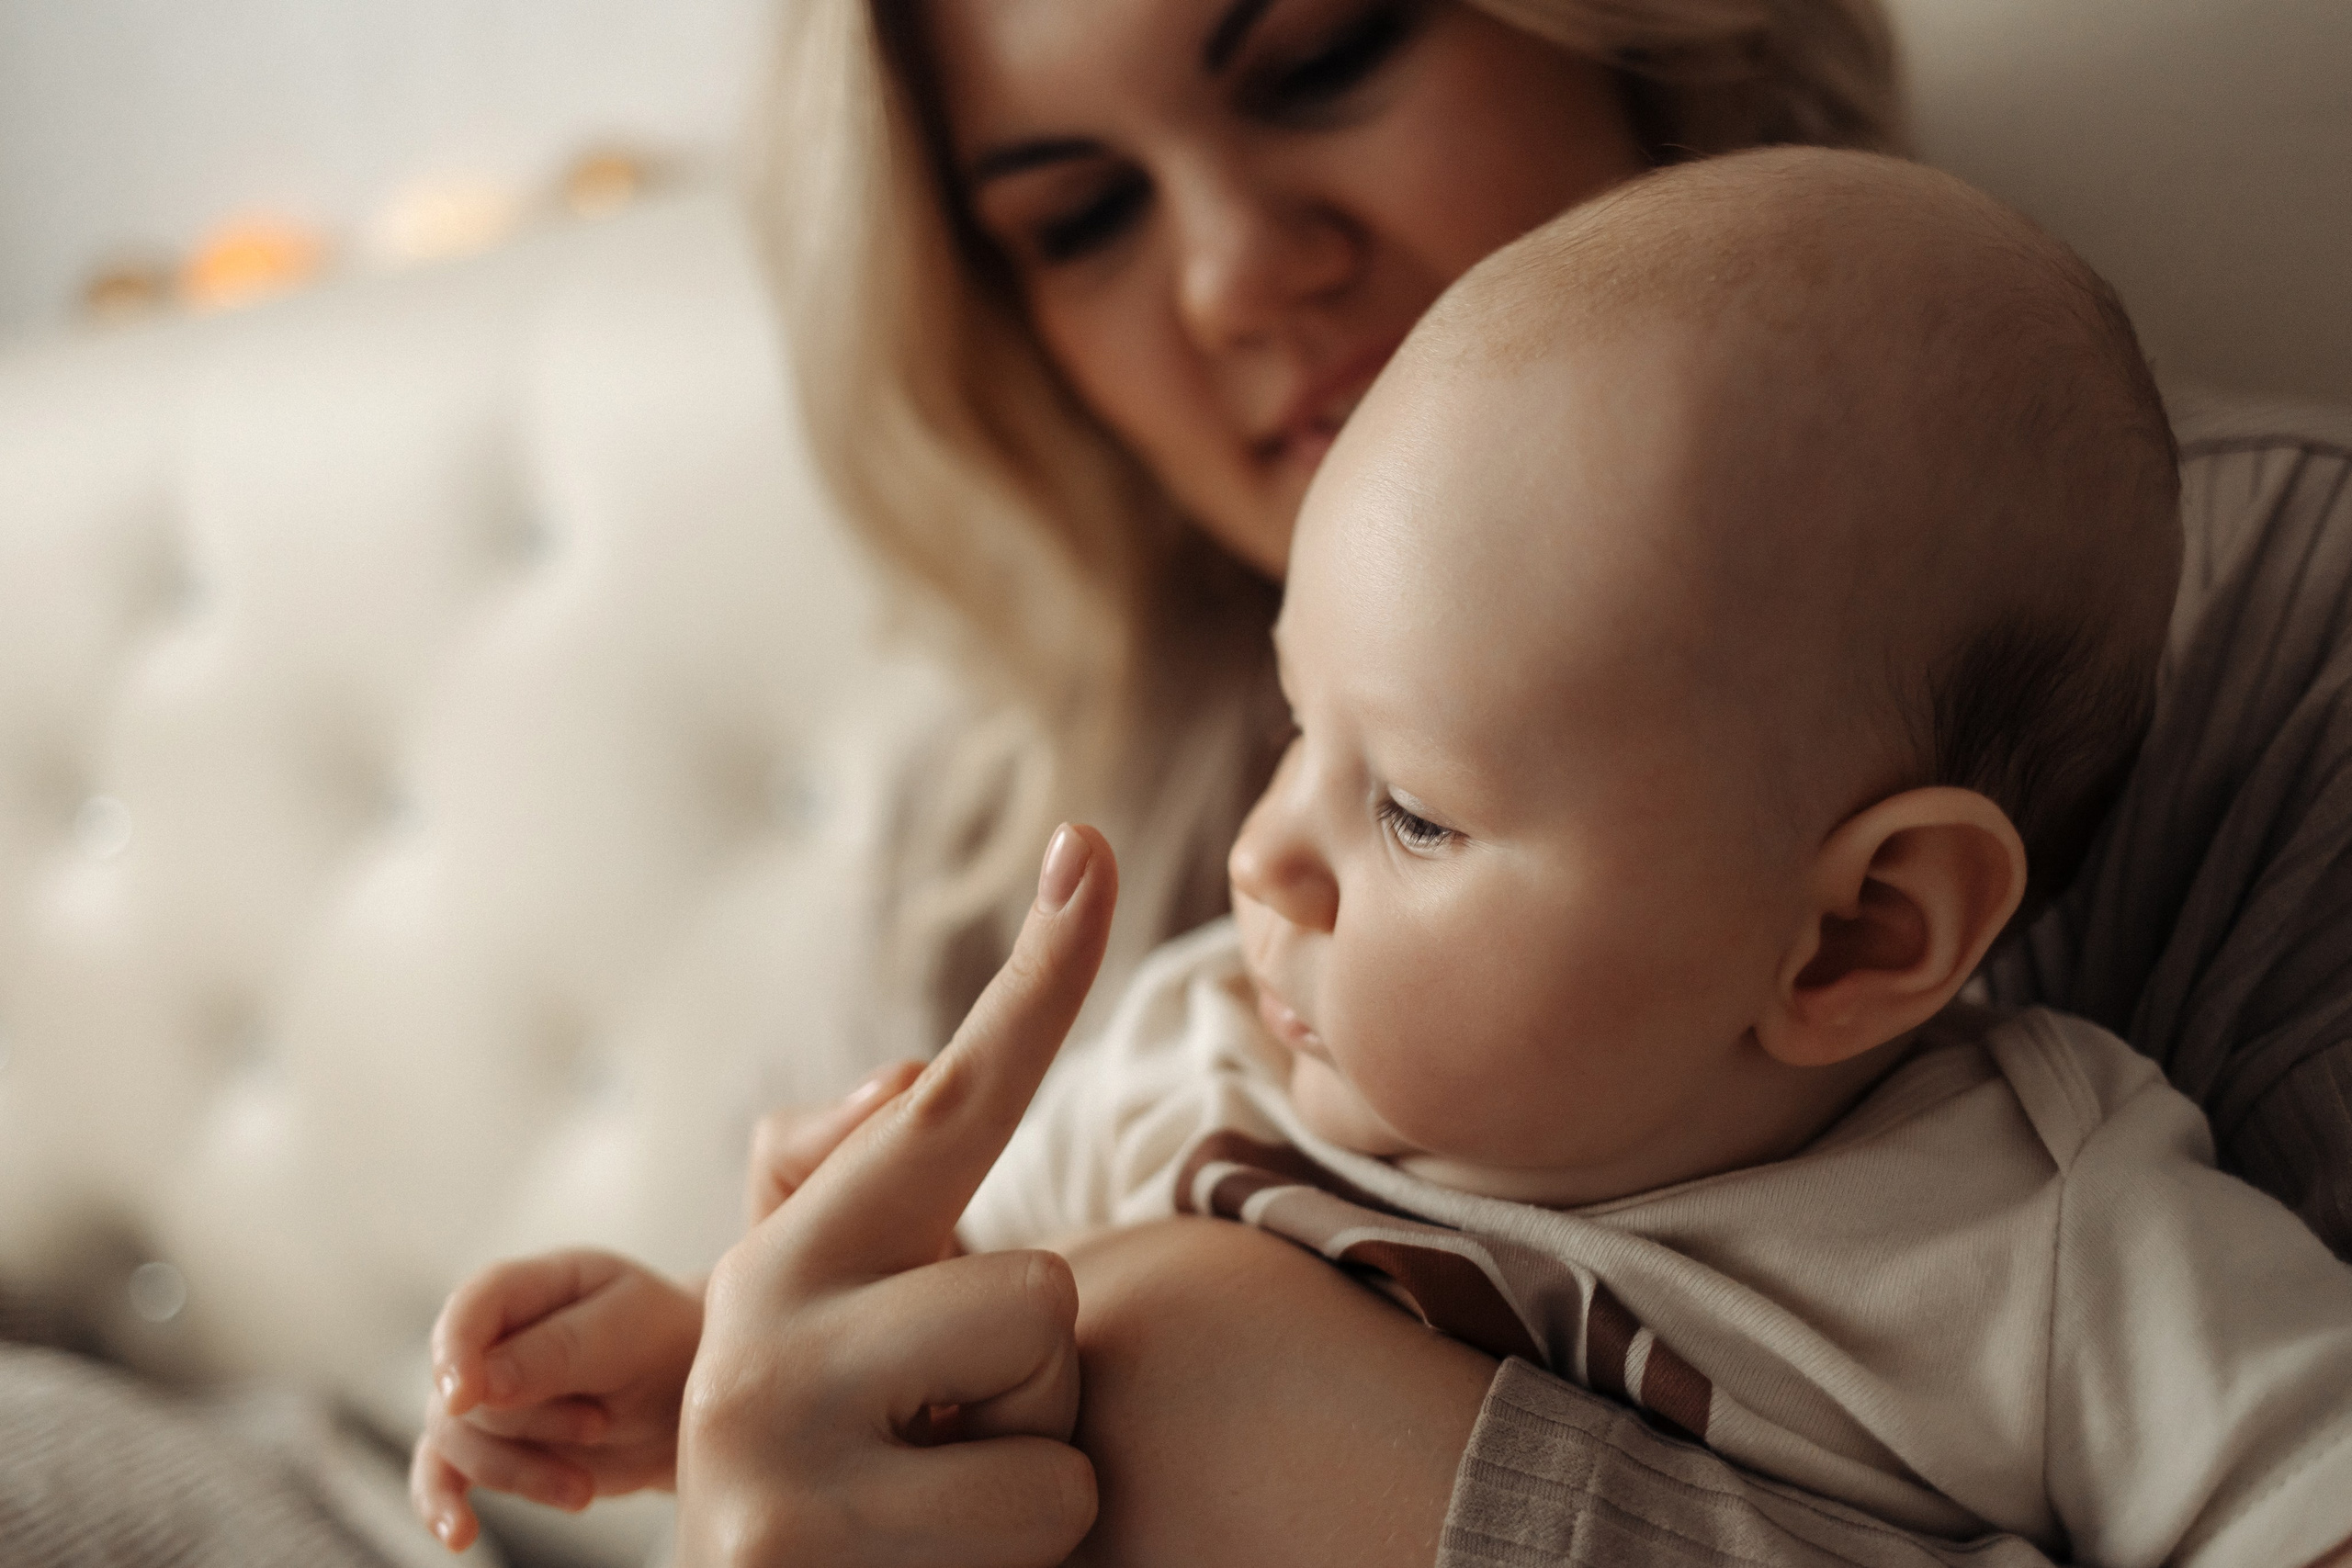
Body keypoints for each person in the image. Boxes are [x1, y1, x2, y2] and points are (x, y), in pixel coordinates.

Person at [412, 153, 2352, 1566]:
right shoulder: (1191, 1055)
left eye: (1409, 810)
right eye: (1291, 735)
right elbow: (893, 1375)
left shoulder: (2039, 1230)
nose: (1266, 855)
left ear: (1853, 928)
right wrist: (680, 1364)